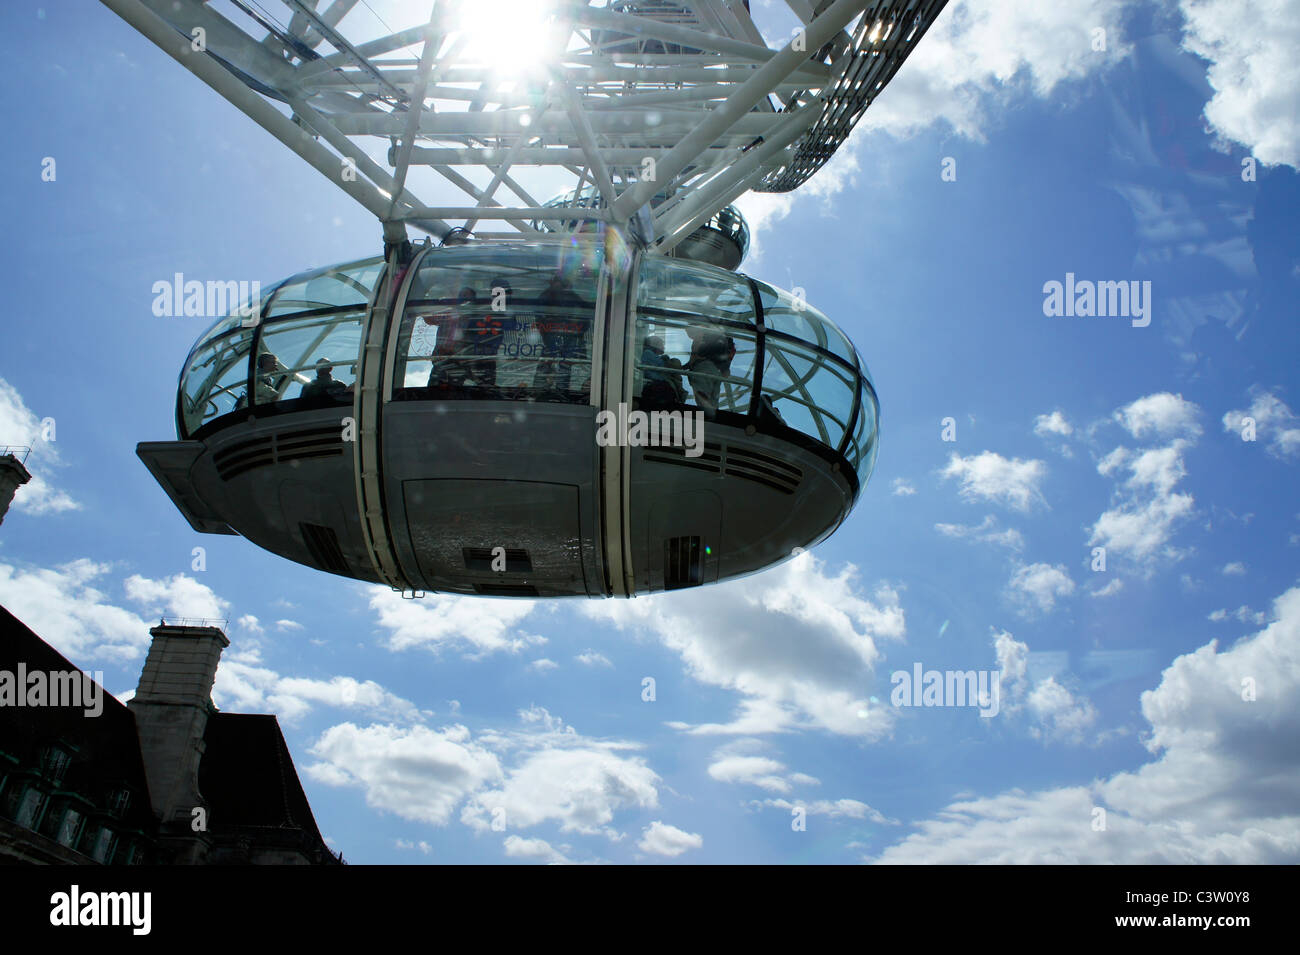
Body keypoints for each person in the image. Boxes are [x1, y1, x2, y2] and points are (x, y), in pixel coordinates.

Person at [685, 324, 735, 417]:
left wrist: (686, 366)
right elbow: (730, 355)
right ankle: (713, 418)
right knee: (714, 398)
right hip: (717, 371)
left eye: (688, 332)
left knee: (702, 395)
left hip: (703, 368)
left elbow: (695, 354)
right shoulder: (723, 340)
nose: (688, 335)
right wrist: (725, 369)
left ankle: (707, 417)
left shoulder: (700, 335)